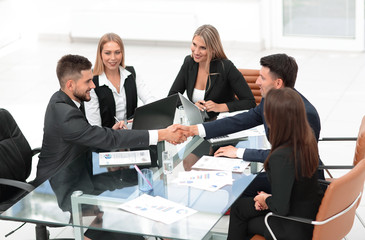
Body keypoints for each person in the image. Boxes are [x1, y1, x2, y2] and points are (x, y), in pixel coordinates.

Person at [33, 54, 188, 187]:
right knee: (132, 182)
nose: (93, 86)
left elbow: (88, 135)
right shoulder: (65, 113)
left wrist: (109, 132)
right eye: (88, 81)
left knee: (135, 179)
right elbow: (106, 139)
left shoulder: (65, 101)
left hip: (79, 169)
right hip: (59, 183)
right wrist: (161, 134)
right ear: (70, 85)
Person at [180, 53, 323, 195]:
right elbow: (241, 120)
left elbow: (289, 157)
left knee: (235, 186)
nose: (257, 82)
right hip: (280, 169)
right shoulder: (269, 100)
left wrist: (239, 152)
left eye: (262, 77)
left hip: (297, 181)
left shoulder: (306, 115)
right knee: (228, 178)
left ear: (278, 83)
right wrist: (195, 129)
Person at [227, 88, 323, 240]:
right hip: (308, 214)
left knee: (239, 210)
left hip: (290, 227)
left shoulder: (281, 156)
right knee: (243, 207)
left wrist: (265, 199)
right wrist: (268, 198)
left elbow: (280, 208)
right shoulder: (307, 139)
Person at [168, 24, 256, 120]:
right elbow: (172, 97)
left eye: (203, 48)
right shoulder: (189, 62)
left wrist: (220, 107)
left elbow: (250, 102)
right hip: (198, 122)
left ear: (213, 49)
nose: (196, 52)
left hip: (222, 122)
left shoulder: (226, 67)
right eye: (194, 44)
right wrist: (192, 107)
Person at [85, 32, 156, 127]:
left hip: (132, 134)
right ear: (100, 54)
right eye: (107, 53)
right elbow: (95, 126)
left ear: (122, 53)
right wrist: (113, 132)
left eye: (117, 52)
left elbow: (150, 100)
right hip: (107, 137)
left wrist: (141, 116)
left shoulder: (132, 74)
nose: (113, 58)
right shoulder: (92, 82)